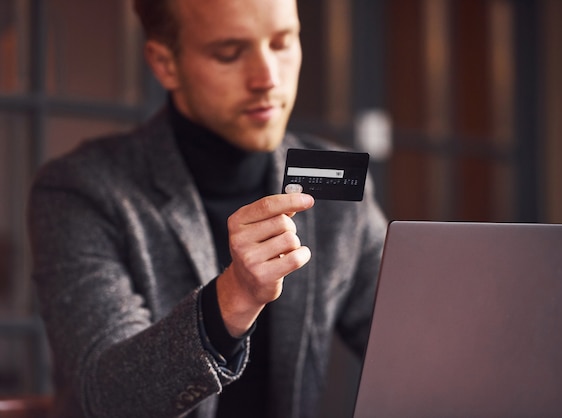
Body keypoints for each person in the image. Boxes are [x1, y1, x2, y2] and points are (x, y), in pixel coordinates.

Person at [27, 0, 388, 417]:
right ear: (165, 64)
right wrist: (235, 295)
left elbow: (407, 340)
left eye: (283, 42)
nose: (268, 78)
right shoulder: (80, 190)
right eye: (230, 53)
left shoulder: (337, 195)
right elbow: (109, 398)